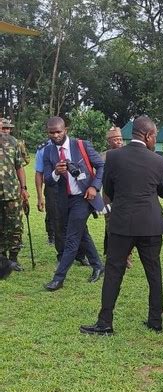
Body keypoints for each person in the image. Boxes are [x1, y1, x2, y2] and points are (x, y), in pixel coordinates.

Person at [80, 115, 163, 335]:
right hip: (150, 224)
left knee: (113, 272)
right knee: (153, 272)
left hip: (121, 224)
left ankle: (105, 322)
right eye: (155, 136)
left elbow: (109, 190)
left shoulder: (113, 157)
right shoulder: (158, 161)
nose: (154, 140)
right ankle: (155, 320)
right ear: (148, 135)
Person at [43, 117, 105, 291]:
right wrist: (56, 172)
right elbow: (48, 180)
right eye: (51, 132)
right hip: (63, 200)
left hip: (83, 198)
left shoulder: (81, 145)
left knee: (71, 239)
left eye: (58, 131)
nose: (55, 135)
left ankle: (58, 278)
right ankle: (98, 266)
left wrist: (94, 186)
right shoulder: (48, 152)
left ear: (66, 130)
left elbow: (101, 166)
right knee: (82, 233)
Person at [0, 120, 29, 271]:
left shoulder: (13, 142)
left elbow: (19, 167)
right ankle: (2, 259)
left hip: (12, 192)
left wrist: (23, 188)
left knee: (15, 226)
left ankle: (13, 259)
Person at [102, 126, 124, 257]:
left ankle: (126, 254)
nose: (119, 142)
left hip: (124, 193)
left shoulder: (128, 154)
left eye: (120, 139)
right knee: (109, 222)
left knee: (125, 222)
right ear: (109, 141)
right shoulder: (103, 156)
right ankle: (111, 250)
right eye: (115, 139)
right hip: (108, 195)